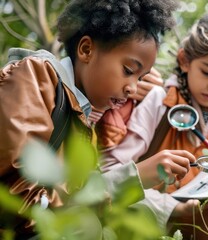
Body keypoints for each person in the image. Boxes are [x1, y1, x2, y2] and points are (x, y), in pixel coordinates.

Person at [0, 0, 195, 237]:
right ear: (86, 50)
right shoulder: (34, 76)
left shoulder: (83, 121)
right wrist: (137, 175)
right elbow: (19, 198)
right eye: (128, 71)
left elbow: (83, 199)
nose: (133, 88)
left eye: (141, 78)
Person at [99, 12, 208, 239]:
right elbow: (113, 172)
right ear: (184, 60)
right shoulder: (158, 102)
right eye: (207, 72)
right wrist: (173, 209)